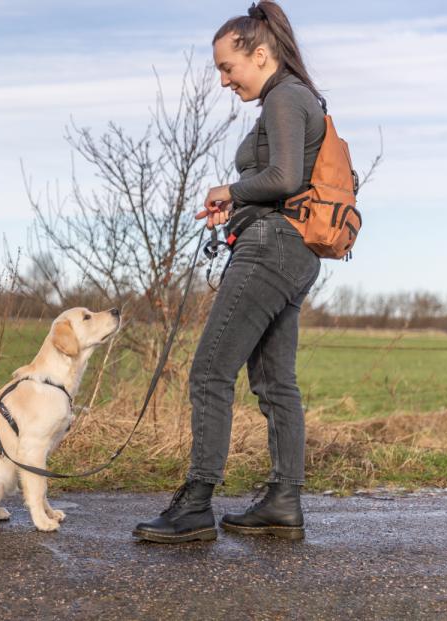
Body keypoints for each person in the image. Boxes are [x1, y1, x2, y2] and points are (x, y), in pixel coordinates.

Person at [133, 0, 325, 543]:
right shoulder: (295, 97)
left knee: (210, 372)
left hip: (270, 249)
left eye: (227, 67)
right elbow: (283, 180)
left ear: (260, 54)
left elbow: (285, 176)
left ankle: (196, 503)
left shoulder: (285, 96)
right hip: (292, 251)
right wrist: (238, 205)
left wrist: (230, 190)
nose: (222, 80)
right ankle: (283, 500)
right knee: (274, 382)